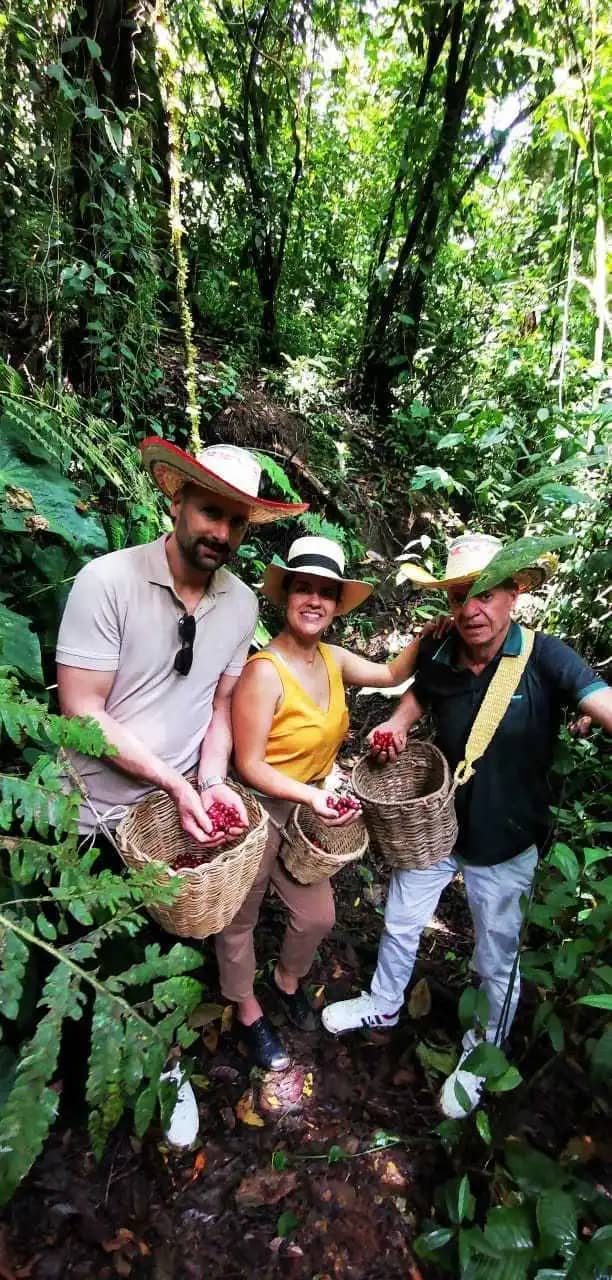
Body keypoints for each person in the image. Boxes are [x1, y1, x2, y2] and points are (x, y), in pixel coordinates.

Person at [56, 438, 308, 1143]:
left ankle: (165, 1059)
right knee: (102, 959)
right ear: (177, 502)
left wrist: (212, 780)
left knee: (176, 948)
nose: (220, 533)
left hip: (178, 814)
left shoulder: (238, 605)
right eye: (208, 513)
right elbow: (81, 710)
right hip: (95, 817)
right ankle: (108, 1080)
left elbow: (220, 707)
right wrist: (175, 779)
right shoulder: (106, 582)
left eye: (235, 521)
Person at [322, 532, 612, 1117]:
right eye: (460, 597)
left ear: (514, 593)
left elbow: (599, 699)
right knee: (402, 917)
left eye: (485, 596)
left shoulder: (545, 657)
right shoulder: (442, 650)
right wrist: (399, 724)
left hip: (506, 837)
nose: (471, 611)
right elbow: (420, 697)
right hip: (437, 821)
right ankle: (383, 1002)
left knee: (495, 956)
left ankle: (482, 1053)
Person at [218, 535, 445, 1071]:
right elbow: (249, 765)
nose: (314, 601)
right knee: (240, 918)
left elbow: (392, 675)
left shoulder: (331, 657)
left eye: (326, 592)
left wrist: (429, 636)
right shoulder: (264, 672)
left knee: (316, 916)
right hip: (256, 811)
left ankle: (285, 981)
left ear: (337, 603)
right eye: (304, 589)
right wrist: (313, 795)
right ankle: (247, 1009)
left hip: (306, 809)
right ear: (286, 596)